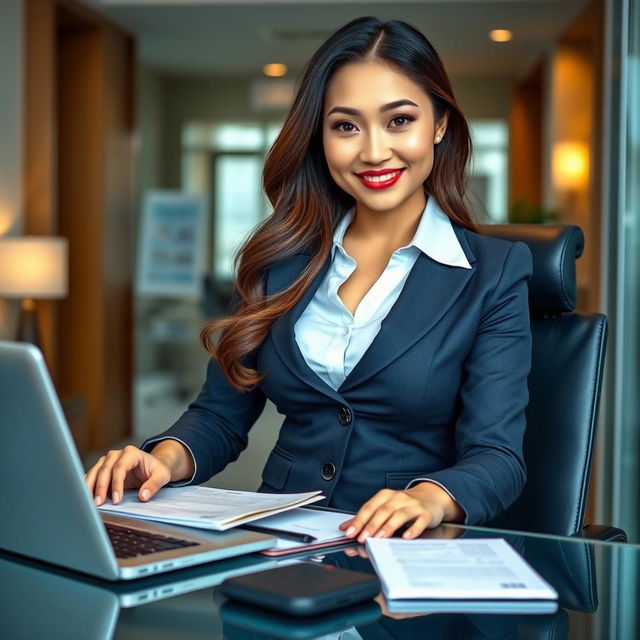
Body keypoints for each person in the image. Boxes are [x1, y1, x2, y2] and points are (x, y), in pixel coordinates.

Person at [85, 16, 532, 544]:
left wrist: (429, 498)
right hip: (280, 555)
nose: (372, 151)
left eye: (399, 121)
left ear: (439, 125)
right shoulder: (277, 260)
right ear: (320, 137)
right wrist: (161, 458)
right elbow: (219, 415)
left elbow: (497, 456)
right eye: (346, 126)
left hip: (404, 562)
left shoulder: (493, 274)